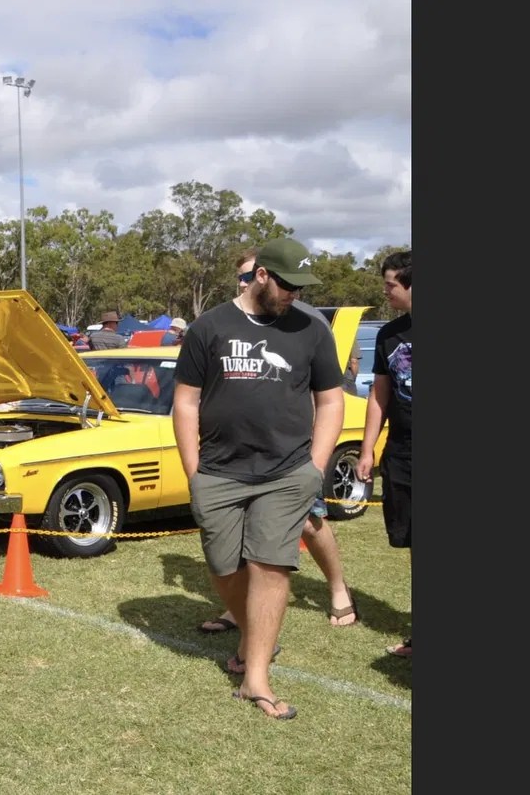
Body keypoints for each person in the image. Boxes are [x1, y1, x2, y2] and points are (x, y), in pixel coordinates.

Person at [173, 237, 342, 721]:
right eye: (287, 284)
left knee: (271, 566)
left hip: (287, 472)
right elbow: (185, 402)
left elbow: (330, 400)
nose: (294, 294)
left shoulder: (311, 329)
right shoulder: (210, 327)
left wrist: (315, 465)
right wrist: (194, 472)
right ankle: (251, 637)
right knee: (225, 567)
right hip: (219, 472)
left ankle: (257, 678)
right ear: (262, 275)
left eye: (300, 286)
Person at [195, 251, 361, 637]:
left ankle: (337, 587)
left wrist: (316, 463)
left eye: (247, 276)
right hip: (236, 463)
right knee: (243, 542)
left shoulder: (307, 321)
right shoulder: (226, 321)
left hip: (293, 454)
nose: (242, 283)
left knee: (309, 521)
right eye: (240, 278)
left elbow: (328, 395)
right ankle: (242, 612)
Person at [356, 249, 412, 659]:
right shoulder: (388, 335)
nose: (385, 290)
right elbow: (379, 396)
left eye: (391, 283)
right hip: (403, 456)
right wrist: (367, 448)